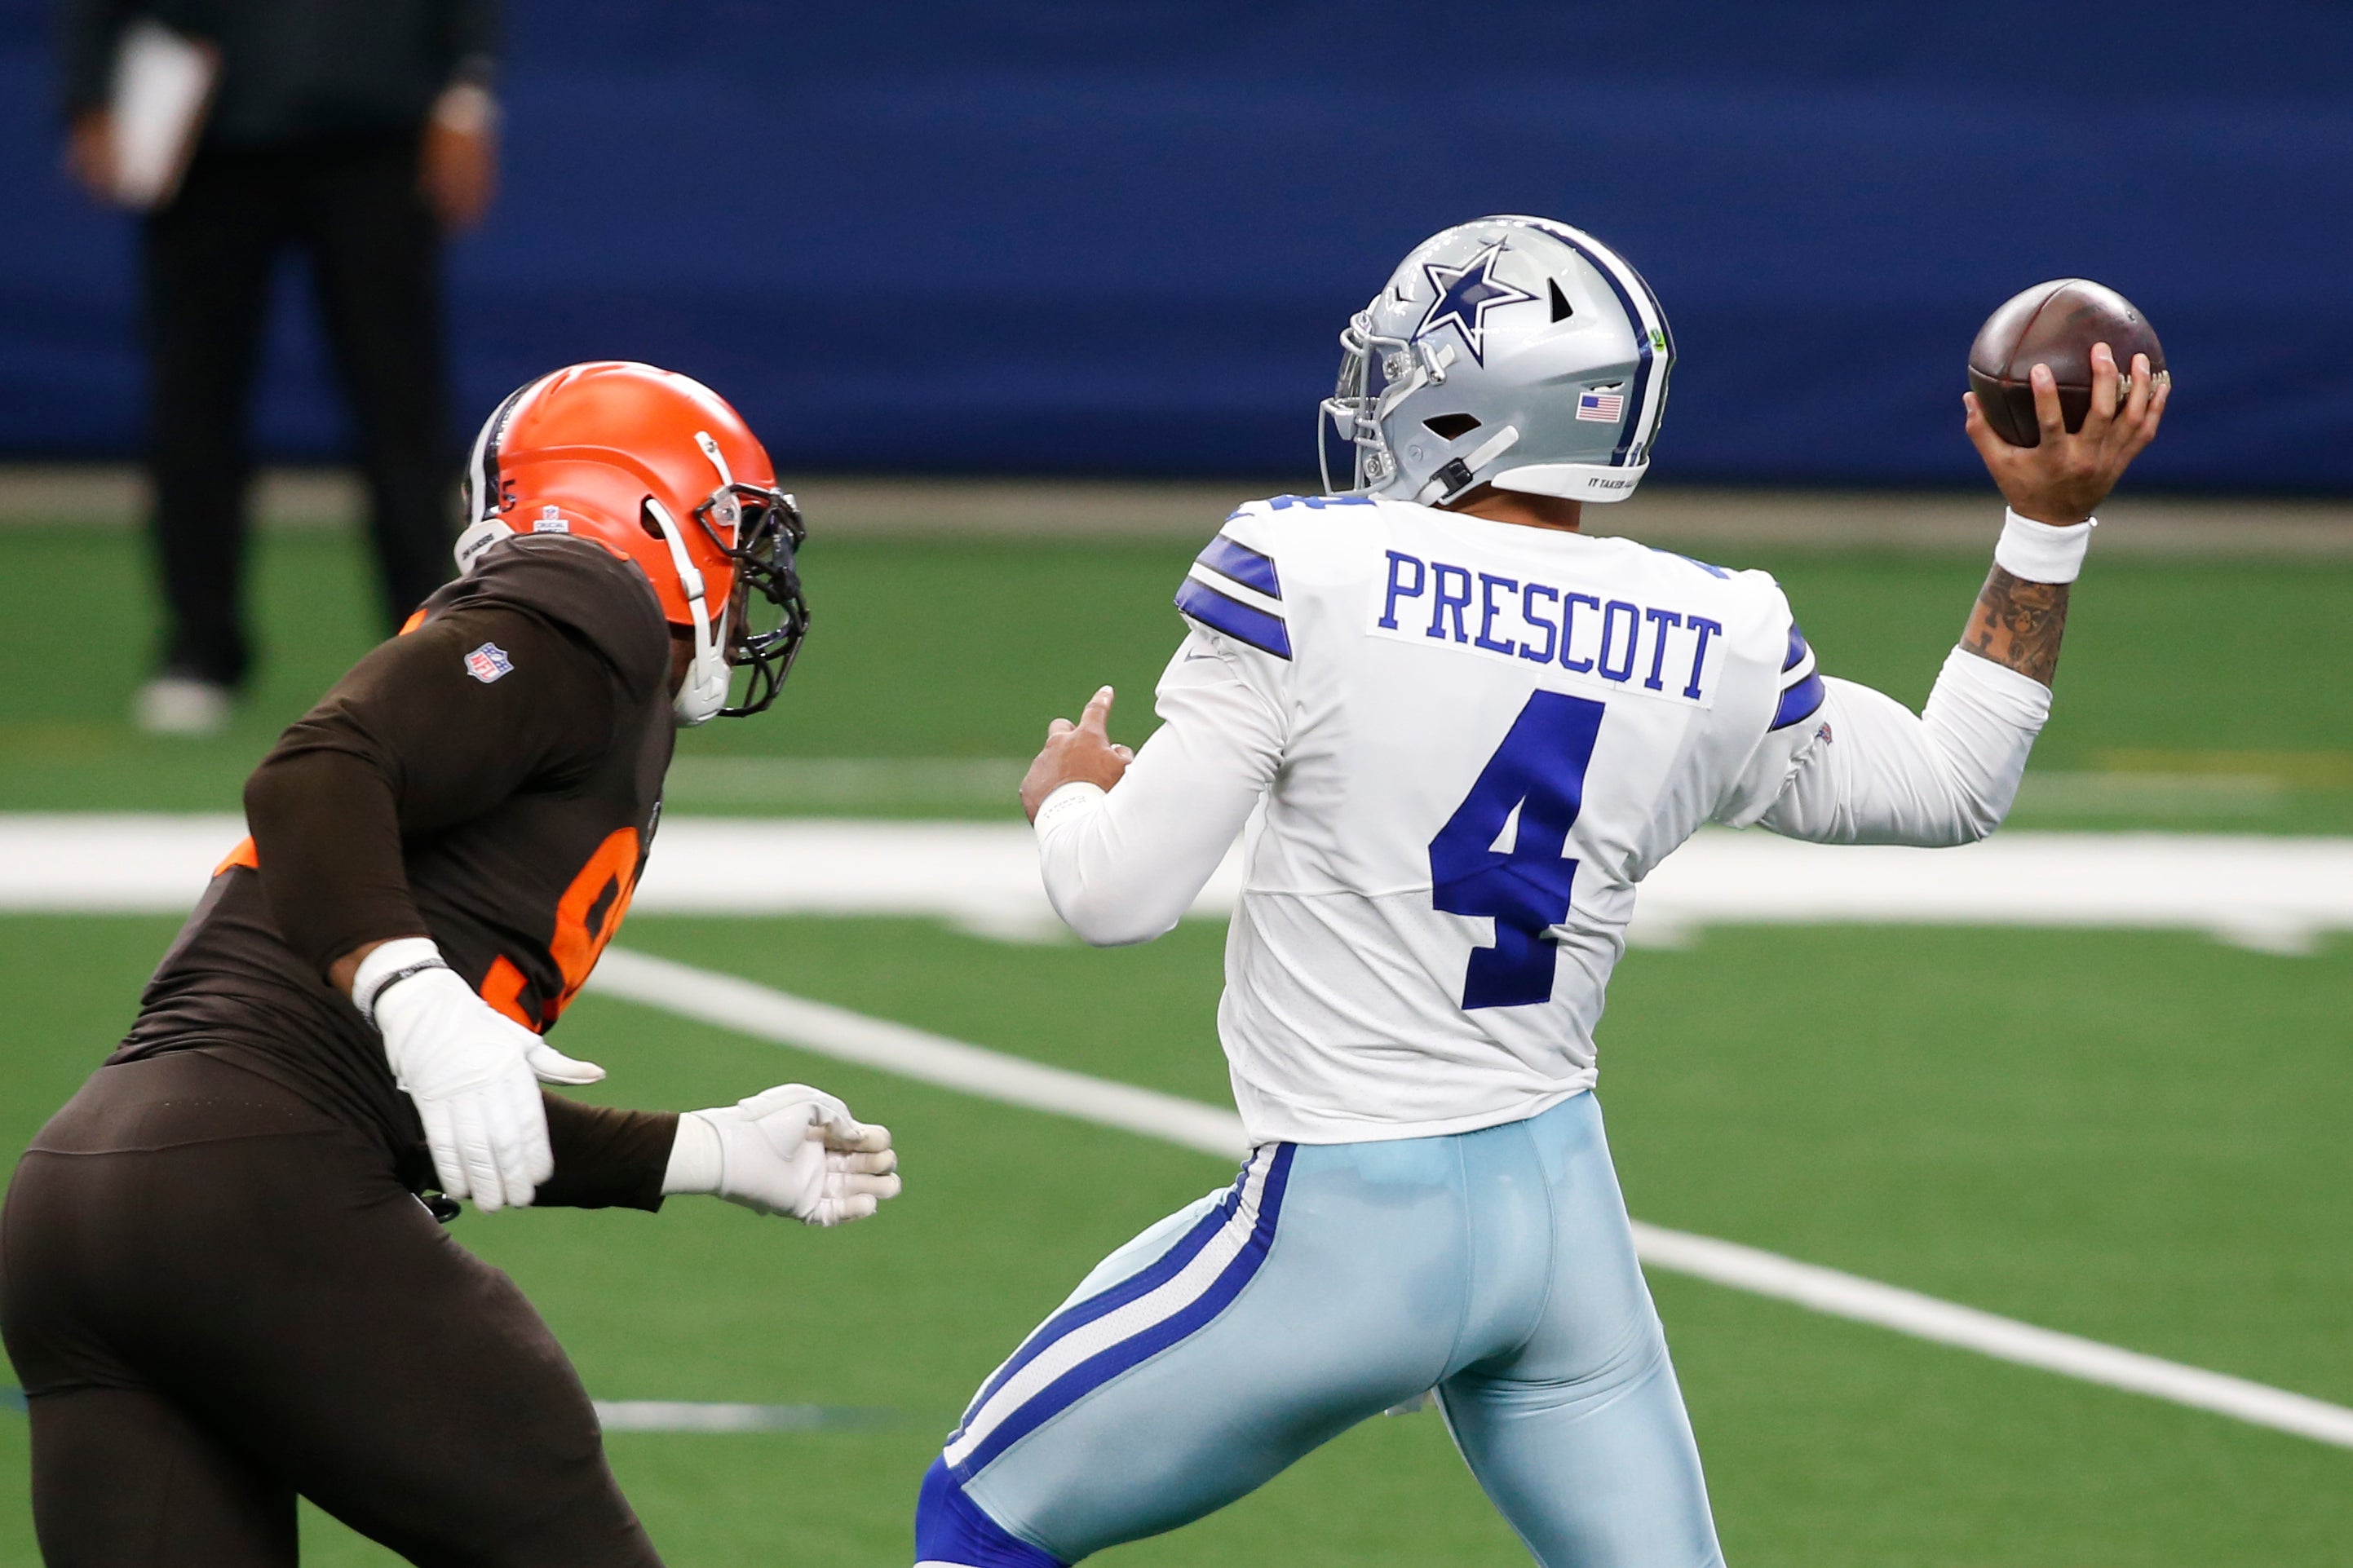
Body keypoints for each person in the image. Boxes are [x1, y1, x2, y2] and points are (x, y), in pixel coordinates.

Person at [910, 216, 2168, 1567]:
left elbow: (1113, 895)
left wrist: (1071, 796)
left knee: (979, 1515)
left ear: (1477, 398)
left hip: (1347, 1228)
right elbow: (1951, 783)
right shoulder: (1716, 628)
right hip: (1562, 1230)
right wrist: (2048, 526)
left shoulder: (1306, 565)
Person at [0, 362, 901, 1566]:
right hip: (256, 1189)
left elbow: (392, 1095)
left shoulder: (564, 677)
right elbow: (315, 769)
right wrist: (411, 988)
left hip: (86, 1206)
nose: (751, 583)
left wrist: (705, 1149)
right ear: (653, 510)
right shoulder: (580, 597)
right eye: (736, 533)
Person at [59, 0, 504, 733]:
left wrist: (466, 98)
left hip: (375, 138)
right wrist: (89, 94)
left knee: (400, 406)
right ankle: (200, 649)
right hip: (206, 140)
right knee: (194, 403)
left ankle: (430, 639)